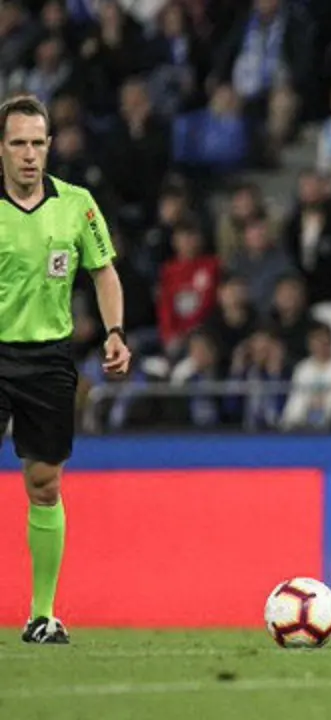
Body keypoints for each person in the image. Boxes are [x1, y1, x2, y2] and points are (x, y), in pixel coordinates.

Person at [0, 95, 130, 644]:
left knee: (45, 483)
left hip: (50, 358)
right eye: (18, 143)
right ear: (1, 149)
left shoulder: (76, 204)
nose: (29, 155)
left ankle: (42, 614)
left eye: (37, 143)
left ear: (50, 145)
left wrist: (115, 333)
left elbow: (103, 272)